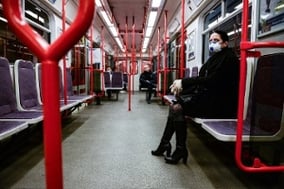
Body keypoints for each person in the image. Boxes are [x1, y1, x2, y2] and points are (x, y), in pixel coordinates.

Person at [151, 30, 240, 164]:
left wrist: (184, 82)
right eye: (210, 40)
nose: (212, 43)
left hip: (220, 104)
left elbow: (212, 80)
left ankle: (173, 147)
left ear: (225, 43)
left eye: (216, 40)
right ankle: (169, 146)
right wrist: (182, 85)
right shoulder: (215, 57)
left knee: (177, 108)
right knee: (175, 106)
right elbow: (202, 78)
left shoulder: (229, 58)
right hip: (210, 98)